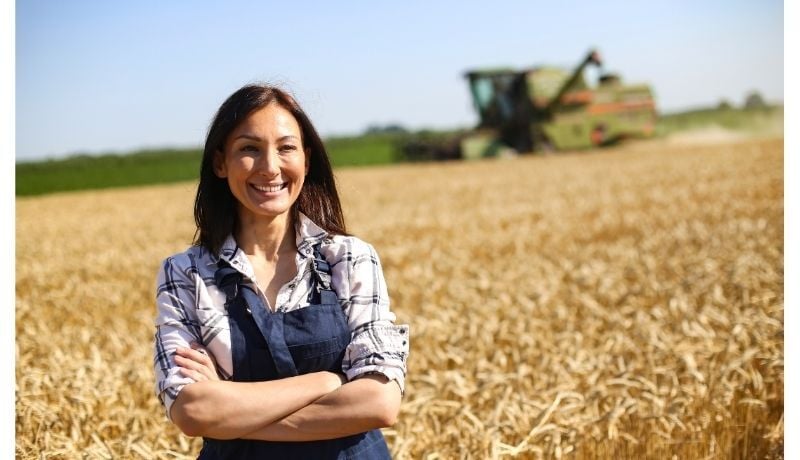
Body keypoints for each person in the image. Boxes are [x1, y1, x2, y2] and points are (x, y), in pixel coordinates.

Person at [153, 84, 409, 459]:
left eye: (286, 147)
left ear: (306, 159)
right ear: (220, 163)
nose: (270, 167)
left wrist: (232, 418)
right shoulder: (186, 274)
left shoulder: (350, 259)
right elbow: (193, 411)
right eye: (249, 149)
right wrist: (330, 380)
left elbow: (378, 402)